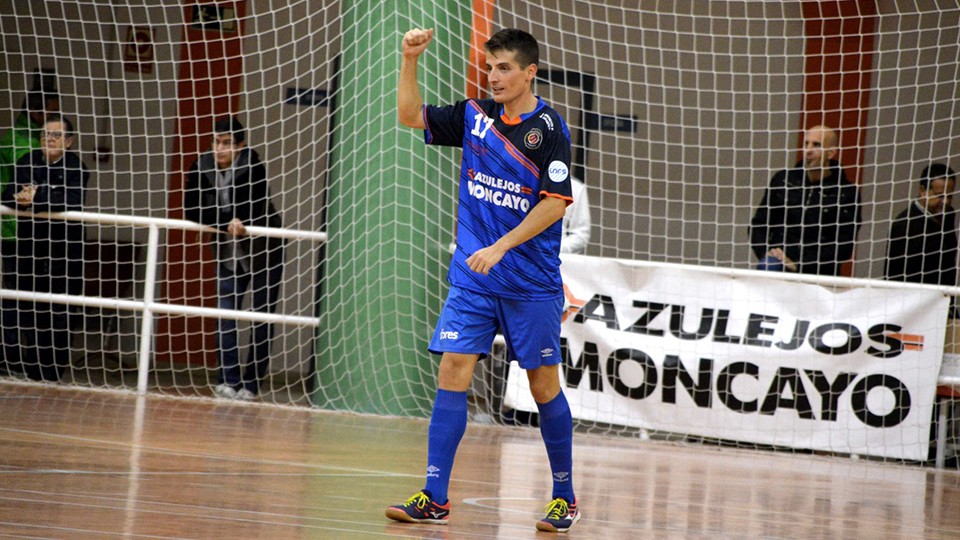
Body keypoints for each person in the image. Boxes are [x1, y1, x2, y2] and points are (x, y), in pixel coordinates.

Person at [386, 28, 580, 533]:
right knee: (452, 368)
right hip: (473, 279)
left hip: (529, 283)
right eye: (489, 68)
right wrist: (410, 60)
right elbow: (411, 116)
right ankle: (434, 495)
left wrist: (500, 246)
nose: (493, 77)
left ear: (529, 72)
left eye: (504, 69)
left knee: (542, 387)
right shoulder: (475, 117)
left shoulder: (550, 129)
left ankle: (564, 496)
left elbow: (554, 204)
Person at [184, 116, 285, 402]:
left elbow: (254, 205)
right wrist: (226, 220)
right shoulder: (200, 166)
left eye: (227, 143)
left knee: (261, 317)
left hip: (265, 250)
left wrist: (232, 219)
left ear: (239, 146)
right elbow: (192, 209)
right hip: (228, 252)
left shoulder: (253, 165)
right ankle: (228, 379)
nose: (220, 148)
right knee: (225, 316)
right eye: (216, 142)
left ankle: (252, 384)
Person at [0, 113, 87, 382]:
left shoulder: (77, 167)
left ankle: (52, 371)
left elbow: (71, 200)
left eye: (55, 135)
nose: (48, 140)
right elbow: (9, 195)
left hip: (66, 249)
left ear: (69, 141)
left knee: (61, 311)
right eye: (44, 135)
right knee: (28, 307)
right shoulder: (27, 162)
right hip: (31, 245)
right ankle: (33, 368)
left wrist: (37, 196)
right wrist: (31, 197)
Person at [0, 90, 60, 376]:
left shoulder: (25, 137)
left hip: (32, 232)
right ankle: (10, 359)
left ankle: (29, 360)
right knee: (14, 296)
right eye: (51, 112)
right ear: (38, 113)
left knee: (29, 296)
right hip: (14, 231)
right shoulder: (19, 142)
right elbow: (27, 186)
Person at [749, 125, 863, 276]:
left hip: (820, 273)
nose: (808, 150)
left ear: (831, 153)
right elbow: (758, 225)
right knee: (769, 266)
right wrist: (769, 252)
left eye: (816, 145)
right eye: (806, 144)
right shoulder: (783, 180)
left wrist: (799, 264)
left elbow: (843, 246)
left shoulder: (846, 192)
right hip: (778, 264)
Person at [885, 163, 958, 288]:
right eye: (940, 195)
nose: (945, 202)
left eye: (949, 196)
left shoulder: (948, 215)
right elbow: (894, 276)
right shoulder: (904, 226)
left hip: (944, 299)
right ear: (922, 191)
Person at [560, 176, 590, 254]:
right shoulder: (526, 180)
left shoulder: (575, 187)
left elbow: (581, 234)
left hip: (556, 259)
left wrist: (557, 249)